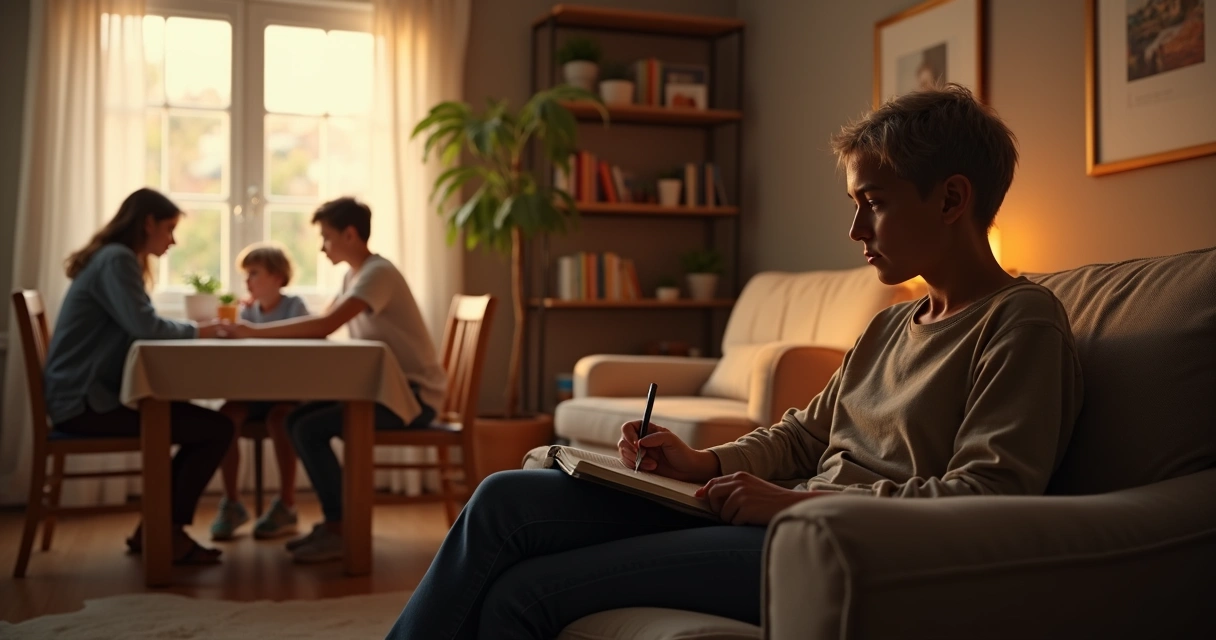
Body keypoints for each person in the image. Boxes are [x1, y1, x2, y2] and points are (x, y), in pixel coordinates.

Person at [385, 84, 1084, 640]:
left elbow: (988, 496)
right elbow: (803, 435)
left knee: (523, 594)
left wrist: (796, 504)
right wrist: (702, 463)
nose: (854, 229)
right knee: (503, 500)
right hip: (787, 517)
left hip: (839, 547)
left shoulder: (1021, 321)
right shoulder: (892, 324)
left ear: (953, 199)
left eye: (873, 203)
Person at [219, 197, 444, 563]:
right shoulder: (354, 276)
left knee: (308, 429)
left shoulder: (377, 274)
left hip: (413, 398)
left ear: (350, 234)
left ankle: (341, 527)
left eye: (326, 237)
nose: (322, 247)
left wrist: (251, 332)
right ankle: (338, 522)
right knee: (295, 420)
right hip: (386, 392)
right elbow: (320, 322)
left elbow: (325, 325)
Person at [43, 187, 235, 565]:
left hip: (79, 397)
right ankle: (165, 534)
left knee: (204, 424)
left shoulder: (111, 258)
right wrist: (202, 330)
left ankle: (156, 531)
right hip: (83, 403)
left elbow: (141, 326)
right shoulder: (117, 259)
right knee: (217, 429)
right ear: (148, 223)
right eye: (169, 228)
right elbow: (145, 326)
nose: (173, 240)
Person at [209, 243, 310, 541]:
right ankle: (232, 503)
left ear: (277, 277)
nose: (247, 280)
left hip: (286, 393)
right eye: (246, 274)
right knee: (226, 417)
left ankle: (287, 504)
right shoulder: (246, 312)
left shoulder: (295, 307)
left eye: (254, 273)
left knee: (281, 419)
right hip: (251, 393)